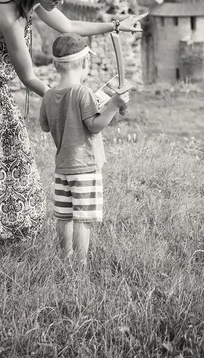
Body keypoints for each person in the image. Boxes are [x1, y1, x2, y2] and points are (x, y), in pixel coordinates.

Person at [0, 0, 144, 251]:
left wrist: (116, 24)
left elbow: (69, 26)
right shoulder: (8, 16)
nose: (60, 3)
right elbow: (28, 77)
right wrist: (66, 98)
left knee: (14, 151)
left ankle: (5, 227)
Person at [39, 32, 130, 265]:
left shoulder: (48, 94)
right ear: (85, 63)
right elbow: (96, 125)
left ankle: (65, 256)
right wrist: (114, 105)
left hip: (62, 168)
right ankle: (80, 264)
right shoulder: (83, 92)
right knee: (82, 219)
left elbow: (45, 126)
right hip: (85, 167)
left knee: (64, 216)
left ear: (57, 65)